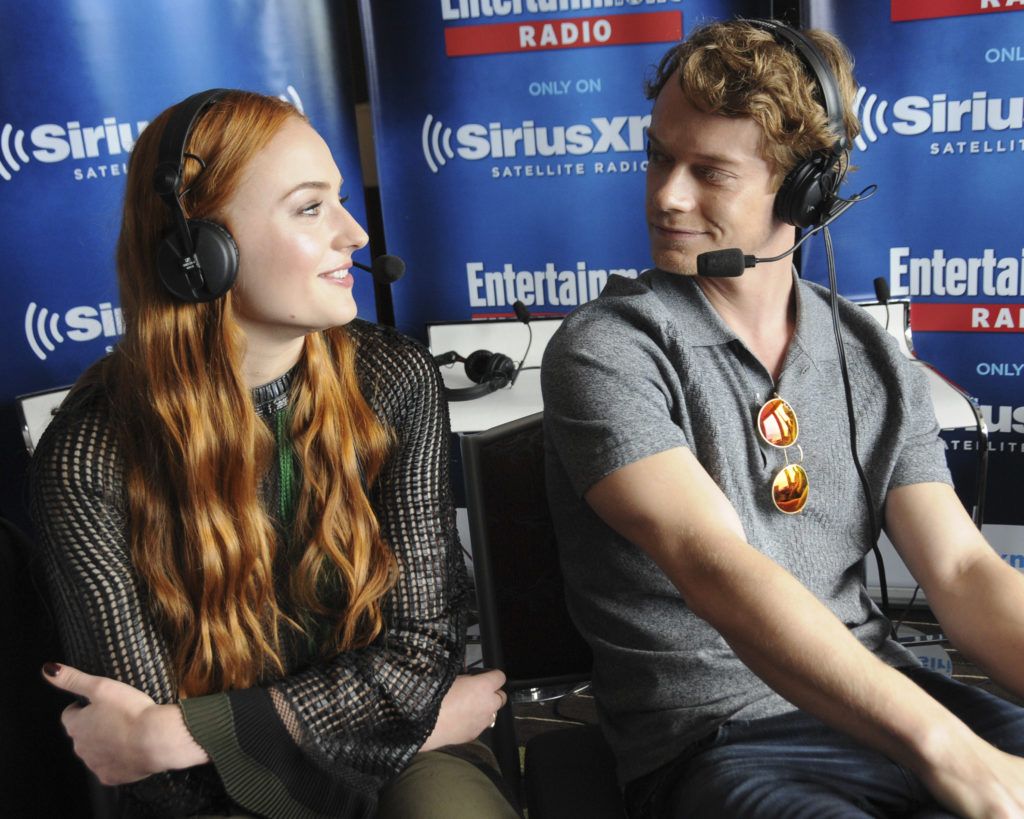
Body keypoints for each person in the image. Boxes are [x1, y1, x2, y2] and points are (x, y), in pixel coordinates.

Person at [541, 18, 1024, 819]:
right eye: (661, 156)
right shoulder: (607, 349)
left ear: (806, 187)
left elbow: (965, 574)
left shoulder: (867, 357)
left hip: (886, 703)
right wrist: (955, 755)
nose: (667, 195)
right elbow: (715, 566)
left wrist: (957, 744)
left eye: (710, 172)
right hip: (718, 740)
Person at [30, 89, 518, 819]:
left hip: (403, 761)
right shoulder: (86, 456)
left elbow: (420, 656)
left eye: (340, 201)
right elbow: (157, 773)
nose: (353, 232)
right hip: (219, 799)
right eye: (309, 208)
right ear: (199, 254)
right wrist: (420, 727)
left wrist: (185, 730)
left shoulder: (392, 379)